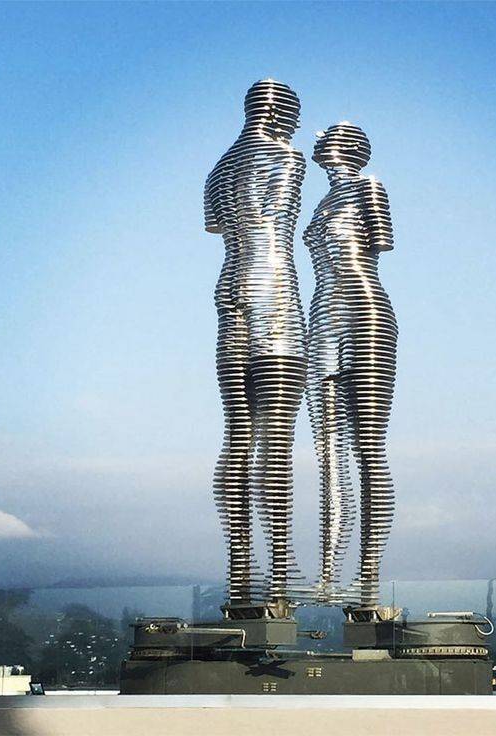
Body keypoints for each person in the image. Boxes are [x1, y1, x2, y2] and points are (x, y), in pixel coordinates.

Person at [204, 79, 306, 604]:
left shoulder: (218, 167)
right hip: (275, 297)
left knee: (238, 434)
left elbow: (217, 227)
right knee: (277, 443)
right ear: (281, 112)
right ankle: (281, 580)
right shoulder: (287, 157)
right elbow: (277, 222)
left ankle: (241, 576)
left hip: (229, 292)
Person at [304, 122, 397, 607]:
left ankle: (368, 581)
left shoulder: (370, 186)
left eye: (329, 132)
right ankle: (327, 575)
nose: (317, 135)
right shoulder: (321, 202)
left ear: (349, 145)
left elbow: (381, 244)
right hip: (322, 321)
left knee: (368, 451)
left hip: (366, 314)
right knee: (328, 458)